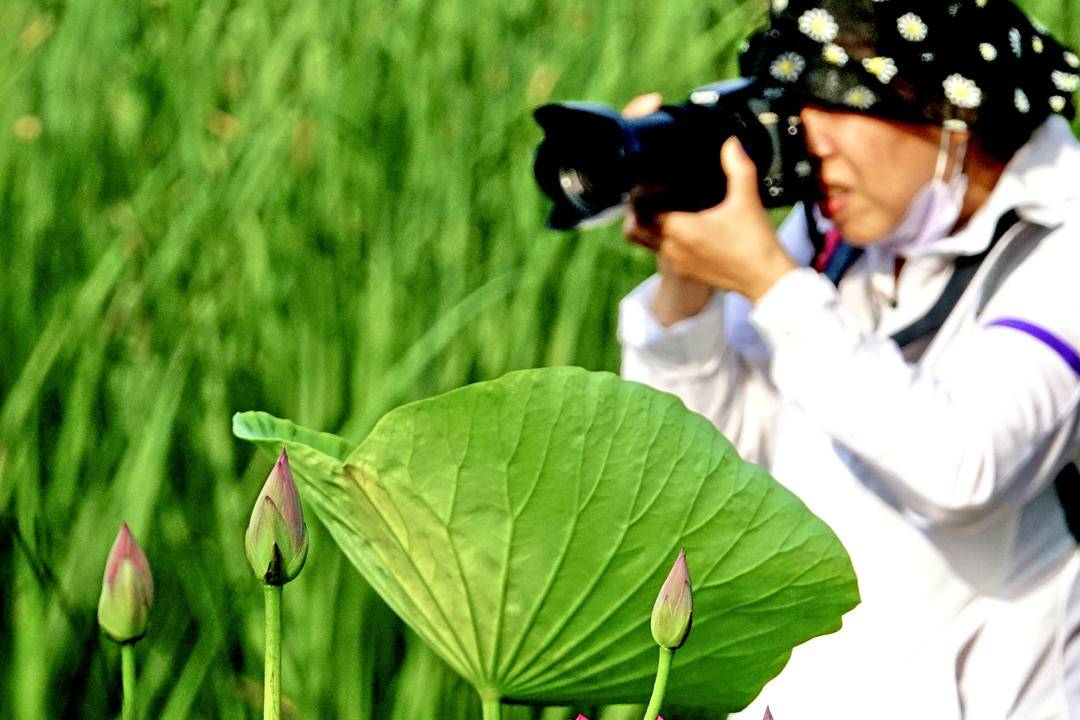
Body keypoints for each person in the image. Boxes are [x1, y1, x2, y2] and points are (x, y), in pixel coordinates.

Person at [617, 0, 1080, 717]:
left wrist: (773, 285)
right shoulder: (841, 227)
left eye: (834, 104)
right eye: (795, 105)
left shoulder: (1064, 239)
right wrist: (688, 290)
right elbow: (708, 458)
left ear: (948, 108)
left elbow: (965, 469)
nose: (811, 140)